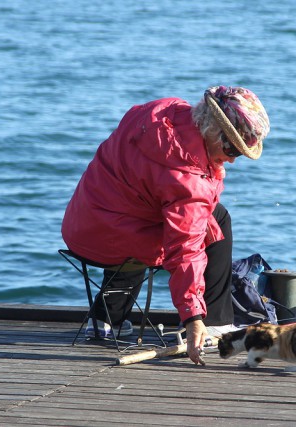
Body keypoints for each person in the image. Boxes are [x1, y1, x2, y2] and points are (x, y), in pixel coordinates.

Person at [61, 85, 270, 365]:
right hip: (118, 238)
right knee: (217, 218)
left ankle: (105, 319)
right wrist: (193, 318)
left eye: (240, 153)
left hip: (83, 224)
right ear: (211, 130)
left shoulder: (161, 111)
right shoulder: (189, 182)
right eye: (232, 148)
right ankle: (216, 321)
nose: (233, 158)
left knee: (143, 218)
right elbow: (185, 250)